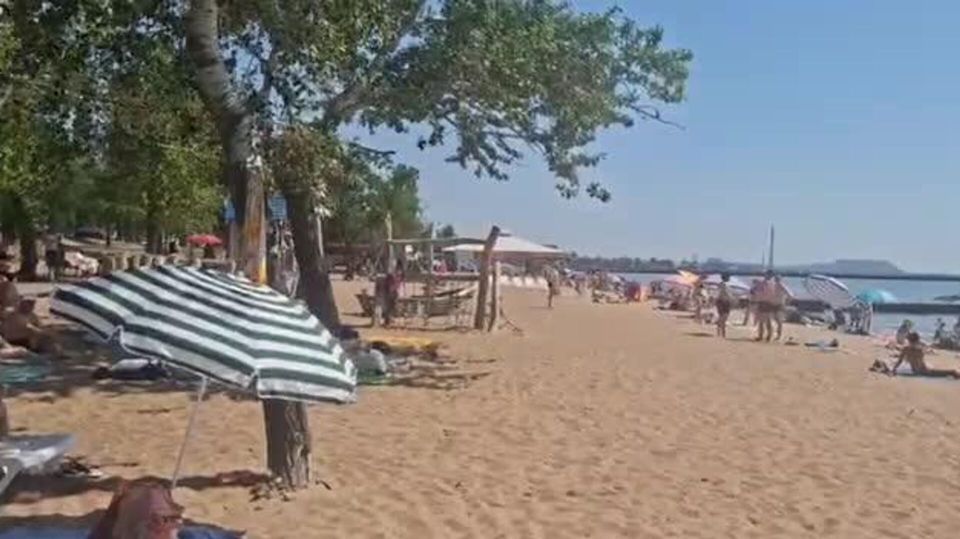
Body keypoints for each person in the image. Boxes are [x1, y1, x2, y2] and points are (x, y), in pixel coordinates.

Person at [890, 332, 960, 378]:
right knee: (945, 372)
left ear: (909, 341)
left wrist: (893, 370)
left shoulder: (906, 349)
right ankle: (954, 372)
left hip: (920, 371)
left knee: (948, 372)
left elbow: (900, 361)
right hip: (922, 370)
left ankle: (954, 372)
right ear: (917, 341)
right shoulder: (919, 350)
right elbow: (920, 363)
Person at [754, 271, 777, 342]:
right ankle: (768, 336)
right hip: (769, 302)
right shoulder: (773, 283)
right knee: (767, 320)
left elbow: (756, 291)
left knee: (762, 320)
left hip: (764, 302)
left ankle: (762, 336)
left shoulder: (764, 283)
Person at [772, 275, 793, 341]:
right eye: (776, 279)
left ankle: (779, 335)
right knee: (775, 319)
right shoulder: (773, 285)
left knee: (779, 320)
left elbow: (790, 295)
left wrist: (787, 302)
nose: (776, 280)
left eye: (777, 279)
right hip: (773, 304)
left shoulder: (782, 286)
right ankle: (777, 333)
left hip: (779, 304)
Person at [715, 273, 733, 338]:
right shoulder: (725, 285)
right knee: (724, 316)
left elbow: (718, 293)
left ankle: (720, 331)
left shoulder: (721, 284)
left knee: (722, 316)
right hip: (724, 301)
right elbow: (726, 293)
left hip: (721, 301)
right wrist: (731, 299)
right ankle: (722, 331)